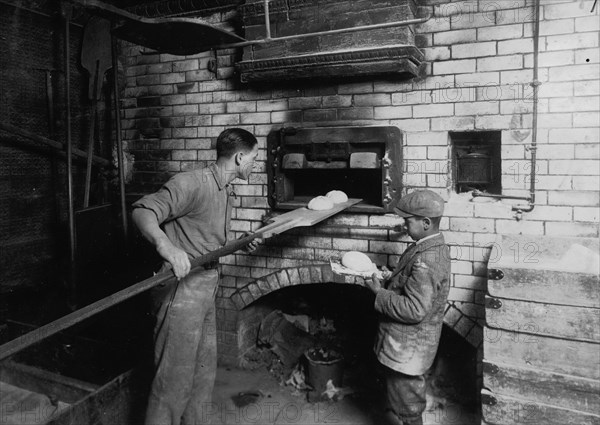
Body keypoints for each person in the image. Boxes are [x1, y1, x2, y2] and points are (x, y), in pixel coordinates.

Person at [132, 128, 260, 425]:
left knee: (202, 377)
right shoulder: (192, 183)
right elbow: (142, 210)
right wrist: (166, 246)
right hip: (182, 292)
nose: (255, 164)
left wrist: (239, 241)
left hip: (205, 287)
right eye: (254, 158)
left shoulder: (225, 189)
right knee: (172, 386)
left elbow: (203, 241)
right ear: (240, 157)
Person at [364, 190, 450, 425]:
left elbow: (414, 309)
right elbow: (416, 286)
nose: (403, 225)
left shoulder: (426, 259)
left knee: (408, 408)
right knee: (403, 399)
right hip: (410, 347)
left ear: (425, 223)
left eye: (407, 221)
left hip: (407, 351)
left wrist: (379, 293)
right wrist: (393, 277)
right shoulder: (429, 247)